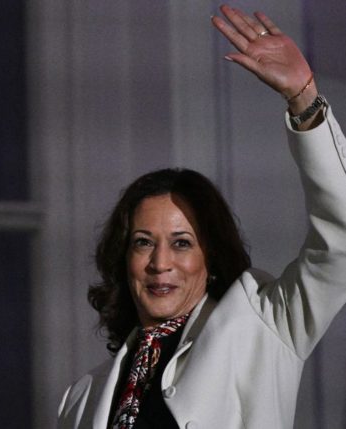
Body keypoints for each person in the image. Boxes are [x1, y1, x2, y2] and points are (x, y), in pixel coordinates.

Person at [57, 5, 346, 429]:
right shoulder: (81, 398)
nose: (160, 263)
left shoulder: (263, 323)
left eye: (181, 242)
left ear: (210, 256)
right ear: (123, 257)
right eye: (142, 242)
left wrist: (302, 98)